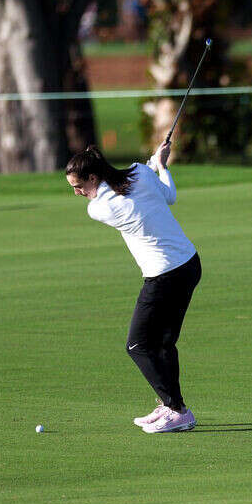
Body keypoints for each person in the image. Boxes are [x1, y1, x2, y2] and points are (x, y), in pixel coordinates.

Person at [66, 143, 202, 433]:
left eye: (78, 186)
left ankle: (178, 410)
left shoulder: (99, 208)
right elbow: (168, 195)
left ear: (93, 178)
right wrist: (159, 166)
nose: (76, 192)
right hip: (188, 264)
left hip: (165, 275)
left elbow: (127, 191)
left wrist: (155, 163)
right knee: (163, 343)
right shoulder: (139, 173)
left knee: (138, 344)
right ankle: (171, 406)